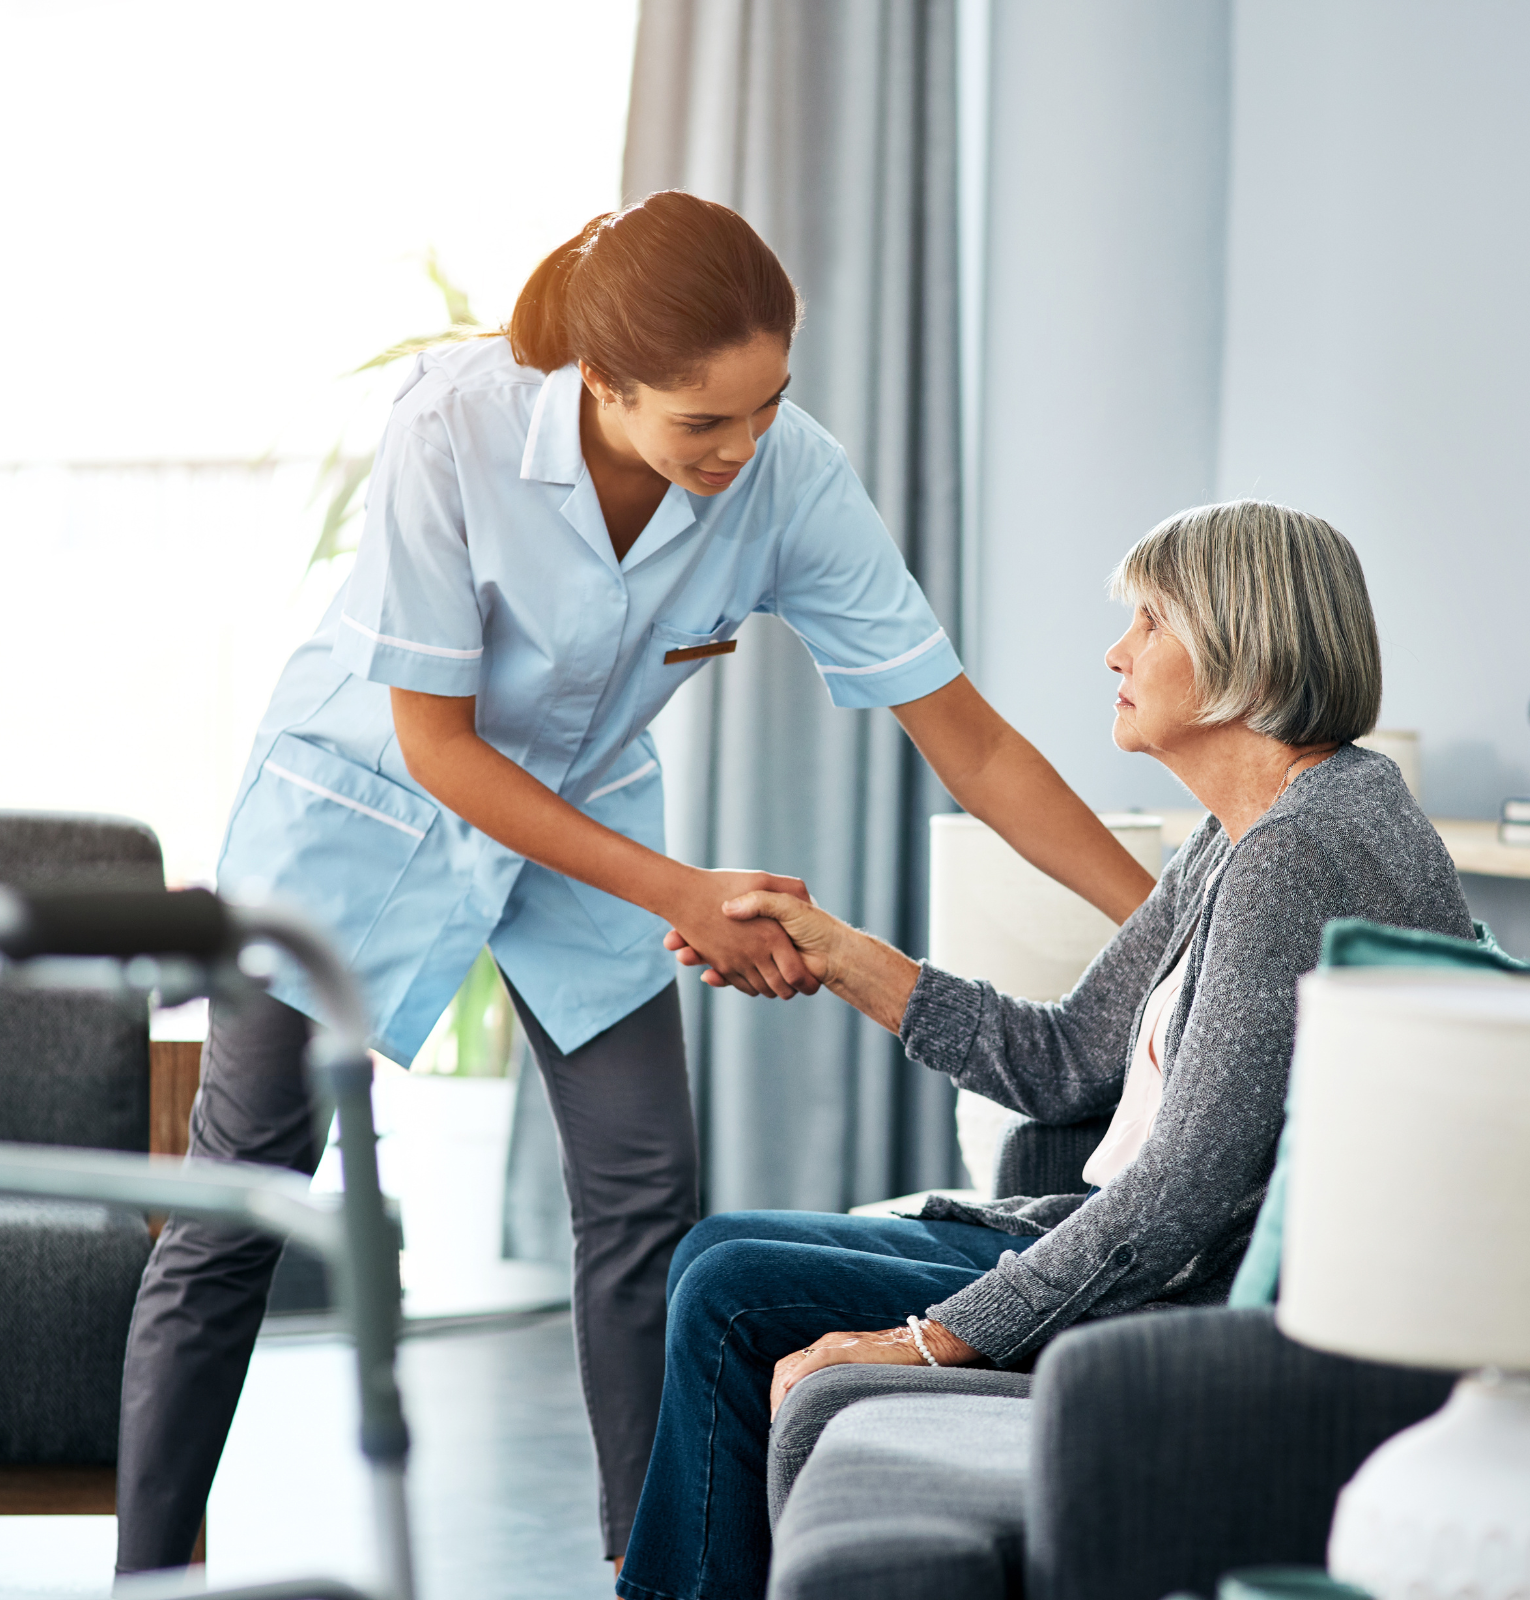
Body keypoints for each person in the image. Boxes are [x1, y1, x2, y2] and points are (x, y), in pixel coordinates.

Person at [112, 191, 1155, 1575]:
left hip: (592, 819)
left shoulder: (786, 471)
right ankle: (147, 1565)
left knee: (643, 1193)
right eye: (703, 424)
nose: (744, 450)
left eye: (770, 405)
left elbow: (966, 738)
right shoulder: (455, 423)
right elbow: (438, 742)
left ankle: (646, 1566)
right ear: (597, 385)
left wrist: (1171, 921)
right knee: (246, 1182)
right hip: (366, 810)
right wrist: (681, 892)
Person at [617, 499, 1474, 1600]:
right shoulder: (1244, 831)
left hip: (1175, 1306)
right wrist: (841, 954)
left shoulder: (1297, 853)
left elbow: (1182, 1193)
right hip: (1119, 1254)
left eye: (1151, 623)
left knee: (731, 1286)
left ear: (1245, 652)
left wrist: (937, 1339)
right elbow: (1067, 1058)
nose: (1116, 652)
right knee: (715, 1252)